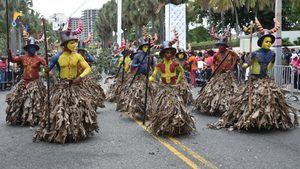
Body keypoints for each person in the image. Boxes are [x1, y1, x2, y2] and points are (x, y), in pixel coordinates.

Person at [211, 17, 298, 131]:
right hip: (254, 79)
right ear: (261, 42)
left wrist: (266, 68)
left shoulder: (272, 54)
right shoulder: (255, 53)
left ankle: (269, 119)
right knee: (246, 99)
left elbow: (270, 65)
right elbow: (246, 64)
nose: (268, 43)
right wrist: (245, 64)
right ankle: (247, 118)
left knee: (270, 100)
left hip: (265, 80)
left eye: (270, 42)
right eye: (266, 41)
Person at [34, 23, 99, 143]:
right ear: (65, 45)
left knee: (80, 107)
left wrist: (80, 77)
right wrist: (46, 70)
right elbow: (46, 71)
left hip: (74, 85)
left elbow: (88, 68)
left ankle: (77, 130)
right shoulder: (57, 57)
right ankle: (59, 131)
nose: (74, 45)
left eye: (75, 42)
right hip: (61, 86)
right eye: (71, 43)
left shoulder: (78, 56)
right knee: (58, 108)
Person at [148, 41, 196, 136]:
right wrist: (150, 79)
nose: (168, 54)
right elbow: (153, 75)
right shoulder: (159, 65)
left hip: (173, 88)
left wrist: (178, 82)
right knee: (161, 106)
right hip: (164, 88)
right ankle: (162, 124)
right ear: (163, 54)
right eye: (166, 52)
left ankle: (177, 125)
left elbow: (181, 72)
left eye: (170, 52)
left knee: (175, 106)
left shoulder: (175, 64)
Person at [194, 27, 239, 116]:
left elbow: (236, 58)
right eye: (219, 46)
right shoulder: (216, 55)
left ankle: (229, 107)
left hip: (228, 75)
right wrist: (214, 69)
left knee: (230, 90)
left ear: (224, 46)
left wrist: (233, 66)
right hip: (218, 75)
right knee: (215, 90)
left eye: (221, 46)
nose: (219, 47)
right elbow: (213, 64)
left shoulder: (231, 53)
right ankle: (214, 106)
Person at [6, 37, 47, 126]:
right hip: (24, 82)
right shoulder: (22, 57)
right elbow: (12, 60)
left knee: (36, 101)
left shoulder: (39, 59)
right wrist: (9, 54)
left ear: (36, 49)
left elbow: (46, 67)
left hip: (35, 83)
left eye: (33, 47)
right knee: (19, 100)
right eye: (30, 47)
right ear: (27, 48)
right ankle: (20, 117)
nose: (32, 49)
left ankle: (36, 117)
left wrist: (48, 71)